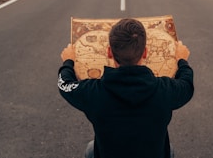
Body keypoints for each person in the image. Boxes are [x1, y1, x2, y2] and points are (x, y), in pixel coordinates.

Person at [58, 18, 194, 158]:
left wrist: (68, 61)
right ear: (145, 52)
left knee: (90, 149)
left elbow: (64, 84)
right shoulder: (166, 90)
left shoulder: (93, 92)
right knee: (169, 150)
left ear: (109, 52)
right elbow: (187, 84)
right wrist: (182, 60)